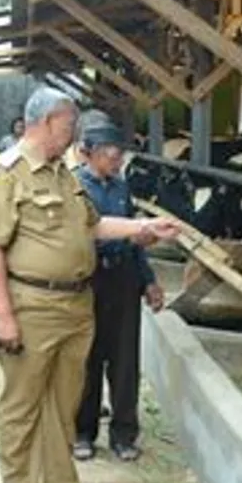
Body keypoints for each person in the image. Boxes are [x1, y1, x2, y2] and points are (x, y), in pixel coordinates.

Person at [0, 86, 180, 483]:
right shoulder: (4, 173)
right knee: (23, 400)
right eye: (70, 125)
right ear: (47, 121)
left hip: (76, 304)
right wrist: (4, 315)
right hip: (33, 304)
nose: (74, 134)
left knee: (65, 399)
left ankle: (59, 480)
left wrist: (145, 226)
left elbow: (96, 224)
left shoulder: (64, 173)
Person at [71, 118, 165, 463]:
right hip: (90, 280)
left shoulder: (121, 188)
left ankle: (124, 435)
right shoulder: (74, 189)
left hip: (124, 279)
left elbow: (135, 242)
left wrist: (149, 280)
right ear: (89, 153)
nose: (117, 159)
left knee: (126, 361)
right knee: (88, 358)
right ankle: (82, 431)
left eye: (119, 154)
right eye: (111, 153)